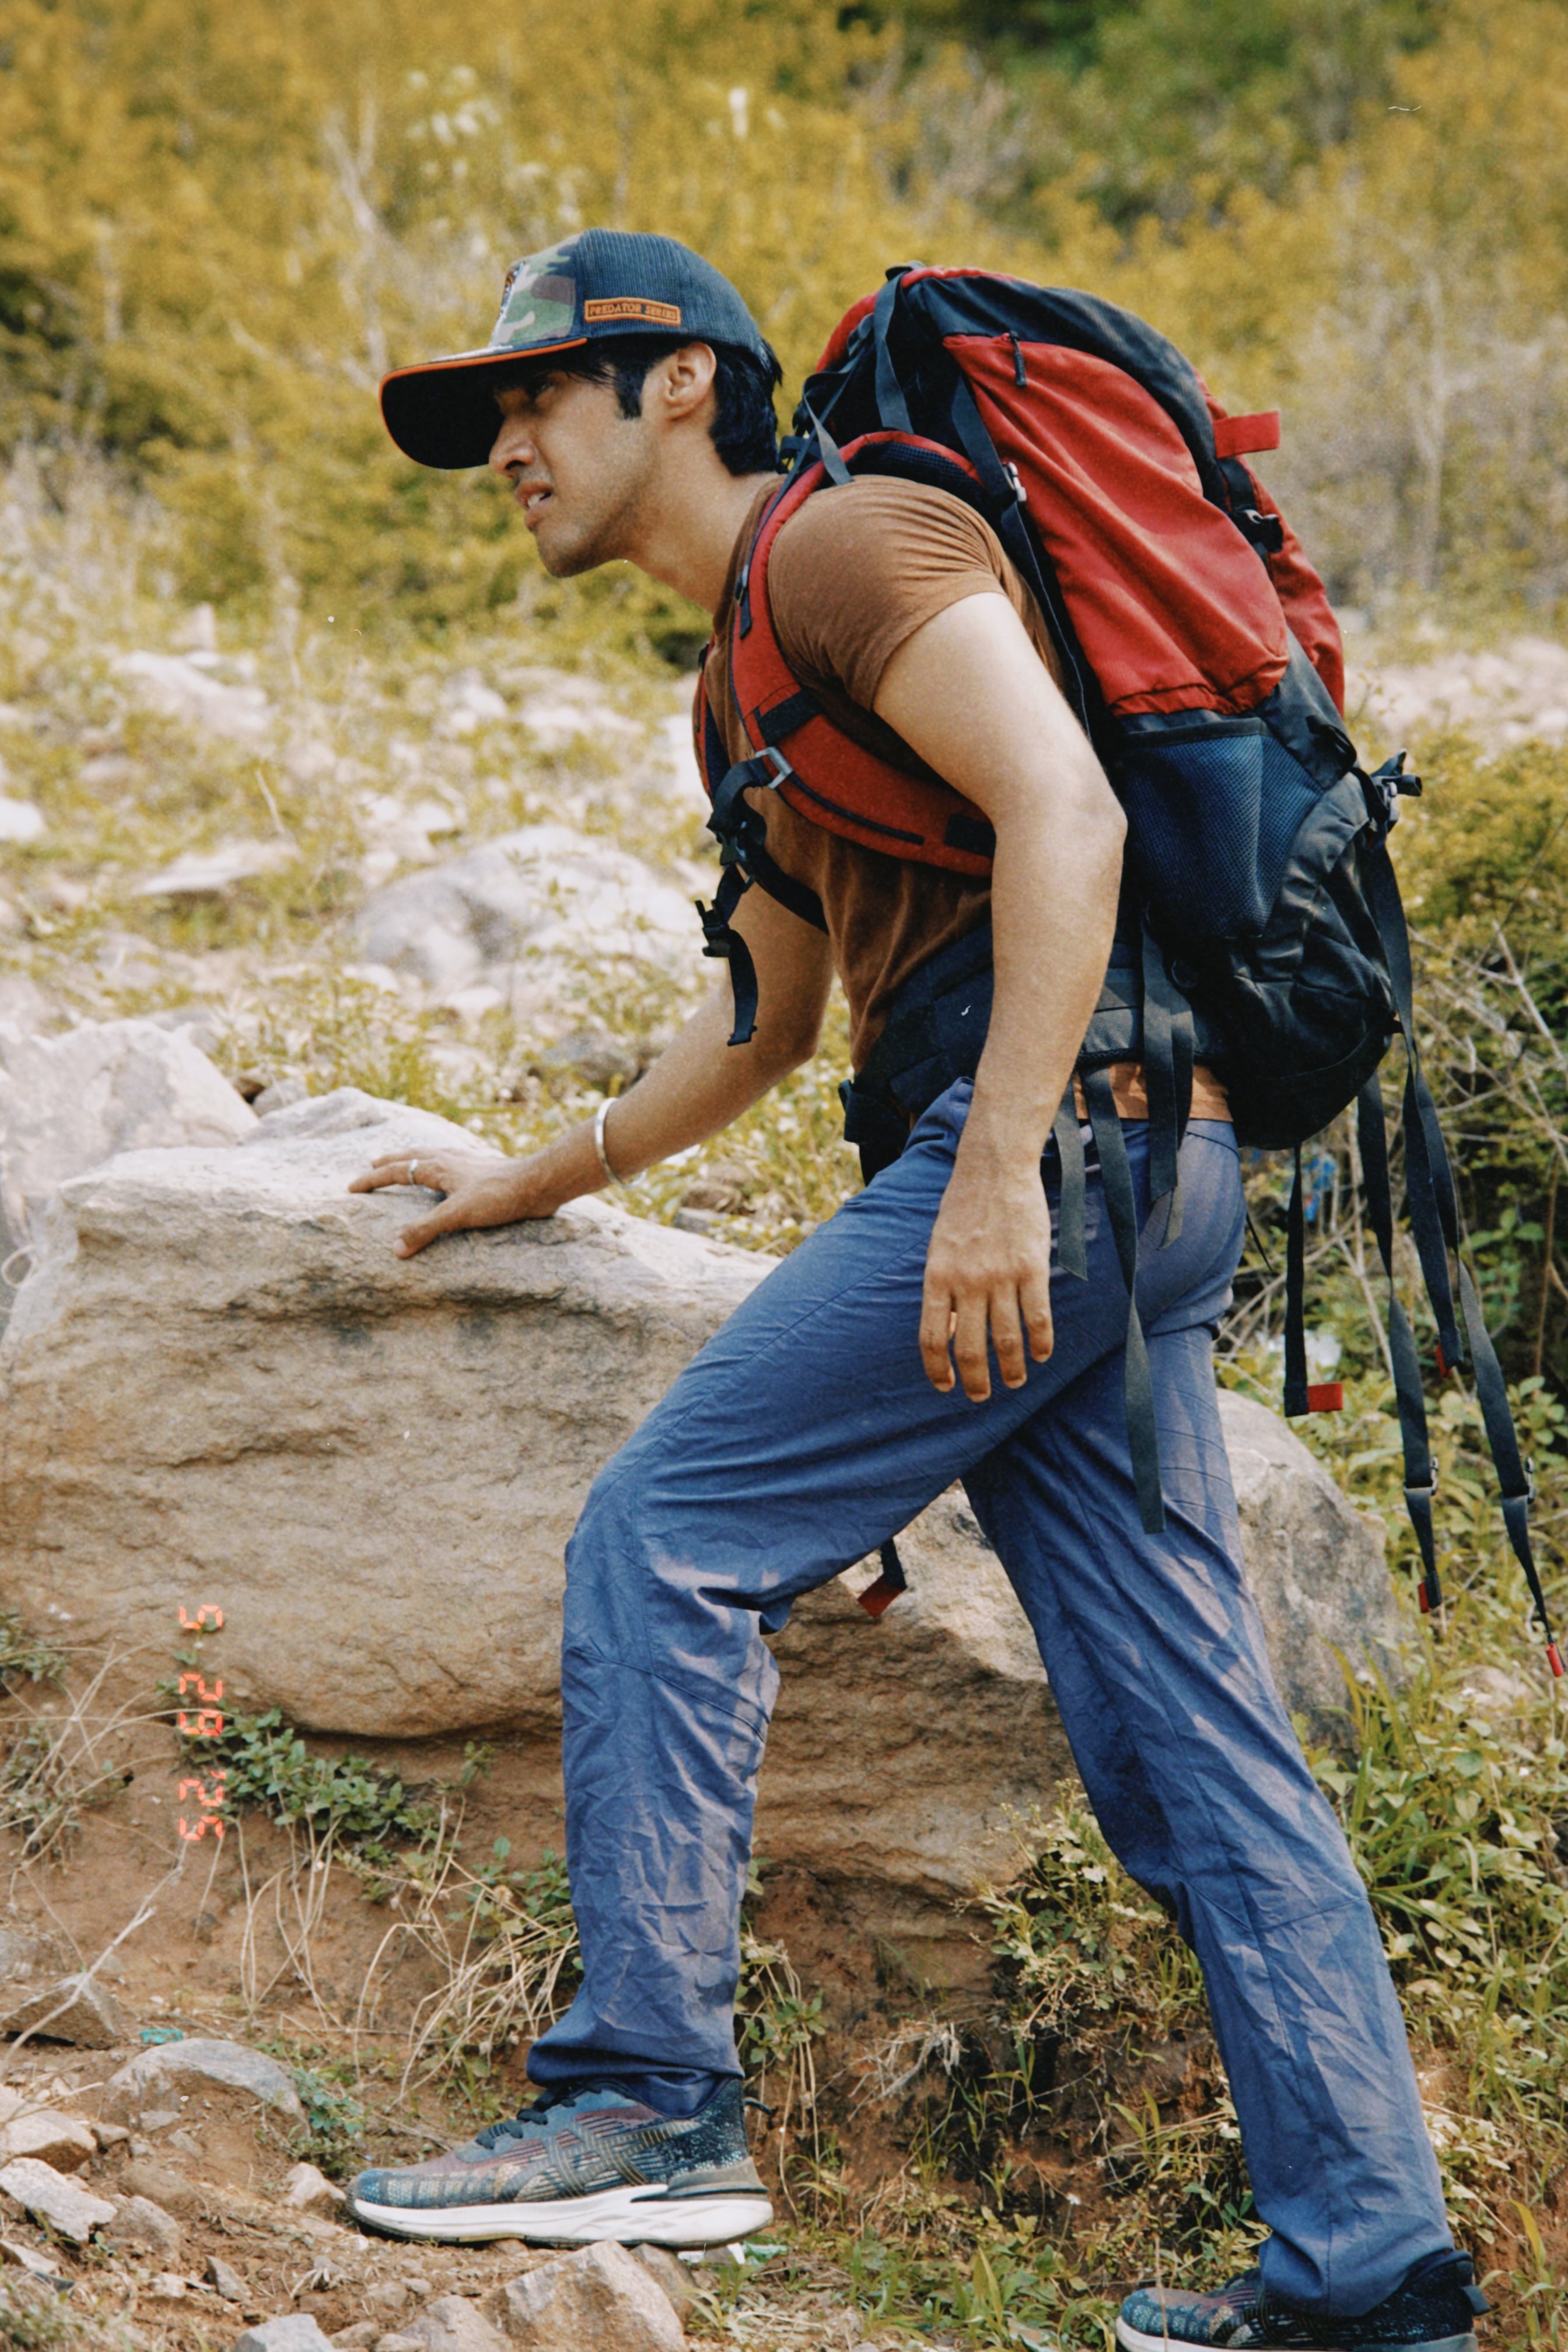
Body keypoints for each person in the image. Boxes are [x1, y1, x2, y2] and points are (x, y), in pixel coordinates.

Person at [343, 229, 1486, 2352]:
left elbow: (1067, 811)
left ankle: (647, 2102)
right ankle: (1378, 2273)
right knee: (1189, 1742)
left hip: (1059, 1151)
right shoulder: (736, 683)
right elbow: (765, 1029)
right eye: (486, 419)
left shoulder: (851, 540)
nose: (504, 444)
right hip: (1129, 1169)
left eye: (535, 396)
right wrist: (527, 1173)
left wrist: (985, 1183)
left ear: (677, 383)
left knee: (667, 1541)